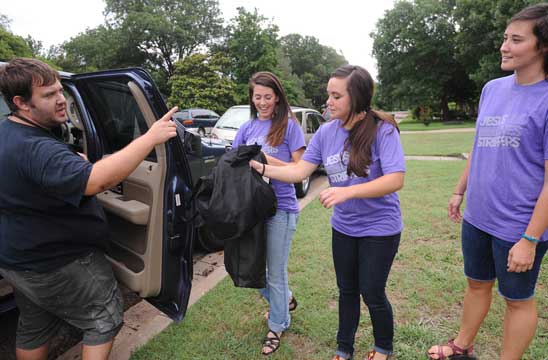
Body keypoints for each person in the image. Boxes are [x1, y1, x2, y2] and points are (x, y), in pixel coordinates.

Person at [0, 58, 178, 360]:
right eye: (48, 95)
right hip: (58, 262)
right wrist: (150, 137)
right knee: (104, 318)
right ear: (21, 103)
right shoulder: (38, 149)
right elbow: (96, 181)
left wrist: (71, 159)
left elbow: (39, 172)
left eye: (59, 91)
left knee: (34, 325)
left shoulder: (9, 133)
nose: (61, 100)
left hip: (17, 259)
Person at [250, 65, 405, 360]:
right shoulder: (325, 132)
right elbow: (299, 171)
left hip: (380, 228)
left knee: (371, 292)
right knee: (346, 291)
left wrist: (348, 191)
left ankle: (383, 348)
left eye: (336, 96)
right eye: (328, 95)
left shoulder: (382, 129)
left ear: (357, 98)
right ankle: (344, 349)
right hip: (344, 228)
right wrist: (262, 167)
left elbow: (395, 179)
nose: (329, 102)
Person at [426, 4, 548, 360]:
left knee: (517, 300)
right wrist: (459, 190)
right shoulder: (492, 89)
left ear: (542, 47)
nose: (504, 46)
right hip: (479, 216)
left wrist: (529, 238)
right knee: (477, 283)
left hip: (518, 224)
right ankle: (461, 347)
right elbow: (480, 145)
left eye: (515, 40)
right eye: (504, 38)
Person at [232, 71, 305, 356]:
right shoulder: (246, 129)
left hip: (281, 209)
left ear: (277, 98)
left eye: (267, 97)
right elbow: (236, 163)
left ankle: (277, 325)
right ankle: (284, 299)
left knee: (275, 272)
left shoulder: (289, 127)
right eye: (257, 97)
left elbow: (299, 170)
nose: (262, 102)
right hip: (253, 209)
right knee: (245, 265)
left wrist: (262, 160)